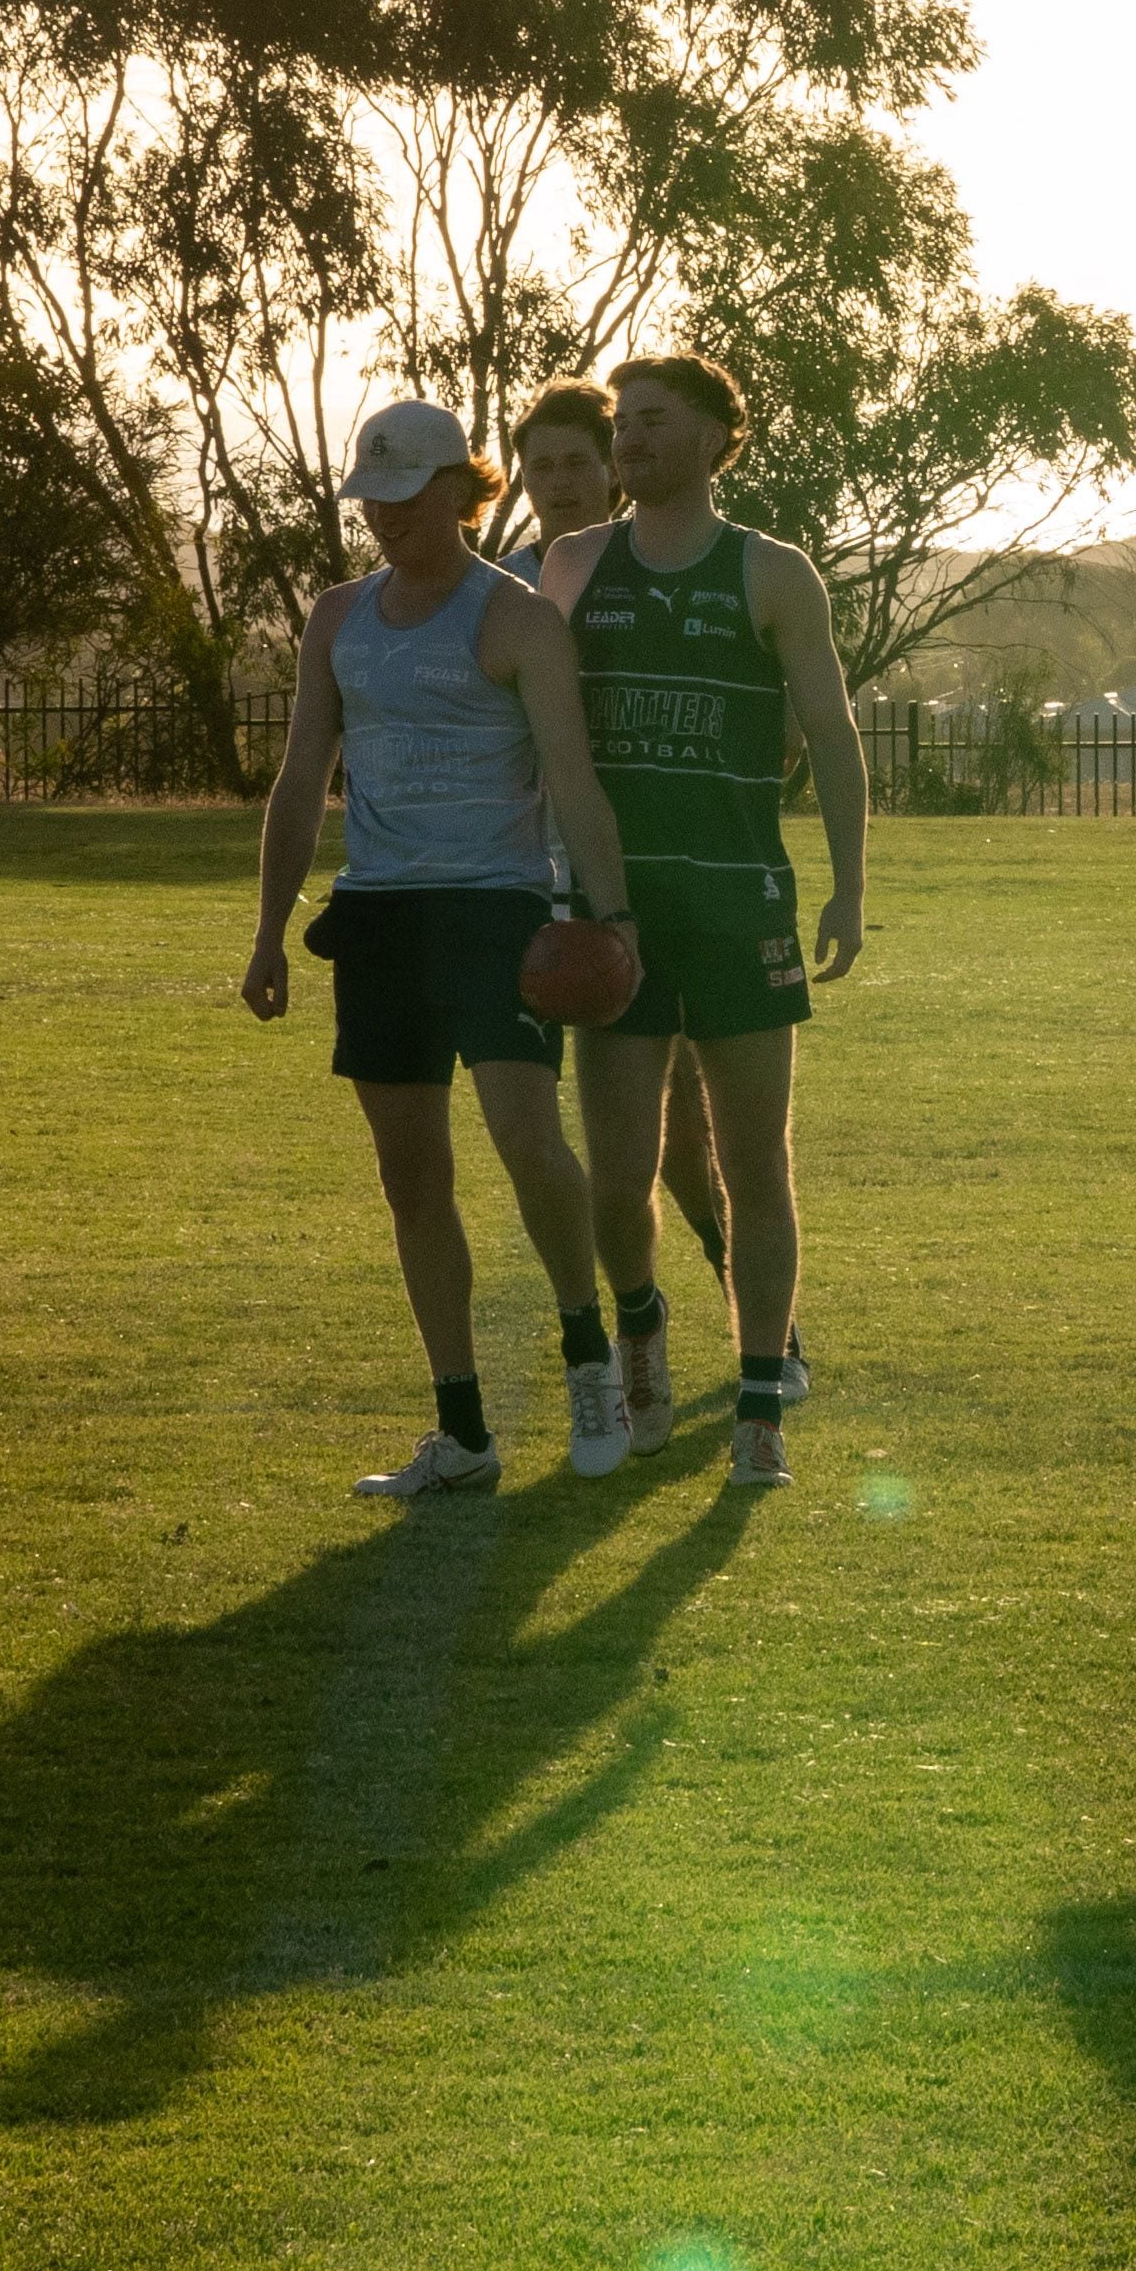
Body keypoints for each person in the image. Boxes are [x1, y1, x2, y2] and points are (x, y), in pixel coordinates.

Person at [243, 401, 648, 1495]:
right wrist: (269, 931)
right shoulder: (338, 617)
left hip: (495, 912)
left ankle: (590, 1358)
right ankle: (462, 1434)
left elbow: (575, 783)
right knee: (411, 1176)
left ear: (459, 491)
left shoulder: (518, 619)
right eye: (370, 499)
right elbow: (300, 780)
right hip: (378, 917)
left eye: (405, 496)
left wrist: (613, 921)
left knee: (526, 1139)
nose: (383, 517)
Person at [537, 354, 866, 1492]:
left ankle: (761, 1405)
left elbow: (832, 734)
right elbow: (527, 722)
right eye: (622, 422)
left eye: (653, 421)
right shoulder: (573, 564)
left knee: (755, 1166)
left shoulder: (773, 572)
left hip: (739, 908)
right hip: (616, 921)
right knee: (619, 1179)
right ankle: (642, 1334)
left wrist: (849, 886)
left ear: (720, 436)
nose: (628, 440)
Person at [509, 377, 799, 1424]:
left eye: (577, 462)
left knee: (708, 1145)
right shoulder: (531, 583)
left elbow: (786, 728)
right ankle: (648, 1319)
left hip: (703, 900)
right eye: (540, 468)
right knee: (629, 1158)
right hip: (578, 902)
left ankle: (765, 1334)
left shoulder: (730, 568)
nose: (561, 483)